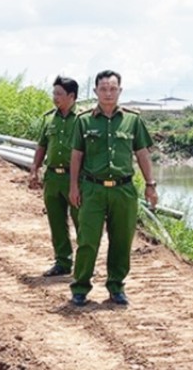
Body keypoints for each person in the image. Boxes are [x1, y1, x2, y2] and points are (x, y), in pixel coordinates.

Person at [68, 70, 158, 307]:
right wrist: (73, 187)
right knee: (88, 240)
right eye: (103, 89)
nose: (108, 93)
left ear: (120, 91)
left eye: (113, 89)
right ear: (95, 91)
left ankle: (116, 286)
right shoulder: (84, 121)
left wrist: (150, 185)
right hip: (92, 189)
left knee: (121, 241)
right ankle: (80, 287)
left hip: (123, 190)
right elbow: (76, 155)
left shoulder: (132, 121)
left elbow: (142, 154)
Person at [29, 76, 80, 277]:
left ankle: (86, 264)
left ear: (71, 96)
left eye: (59, 93)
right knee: (56, 222)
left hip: (75, 178)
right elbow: (42, 146)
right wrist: (34, 169)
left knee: (82, 222)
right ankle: (62, 262)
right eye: (54, 93)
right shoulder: (49, 119)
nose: (55, 97)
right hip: (53, 178)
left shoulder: (83, 120)